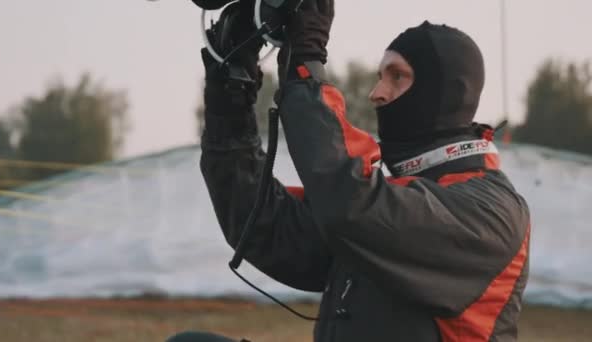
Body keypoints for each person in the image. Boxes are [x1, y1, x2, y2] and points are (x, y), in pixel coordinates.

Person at [170, 0, 531, 341]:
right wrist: (230, 92)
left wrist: (305, 64)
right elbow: (262, 225)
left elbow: (350, 202)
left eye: (397, 77)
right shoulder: (396, 200)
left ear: (444, 94)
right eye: (380, 76)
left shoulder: (491, 212)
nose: (377, 92)